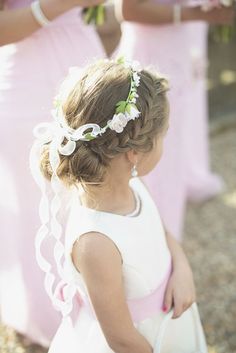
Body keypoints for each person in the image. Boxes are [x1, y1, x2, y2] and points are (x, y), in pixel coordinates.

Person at [30, 58, 208, 353]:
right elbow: (122, 340)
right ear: (135, 153)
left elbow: (159, 232)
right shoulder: (96, 242)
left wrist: (183, 268)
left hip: (170, 321)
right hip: (143, 342)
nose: (165, 142)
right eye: (163, 136)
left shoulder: (131, 182)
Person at [0, 0, 106, 347]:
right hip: (27, 80)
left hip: (86, 70)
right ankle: (45, 317)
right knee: (35, 203)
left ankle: (106, 309)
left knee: (98, 193)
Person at [114, 0, 234, 240]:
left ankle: (166, 230)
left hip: (179, 48)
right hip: (151, 54)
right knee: (153, 146)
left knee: (173, 142)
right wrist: (192, 13)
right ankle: (153, 232)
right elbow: (128, 10)